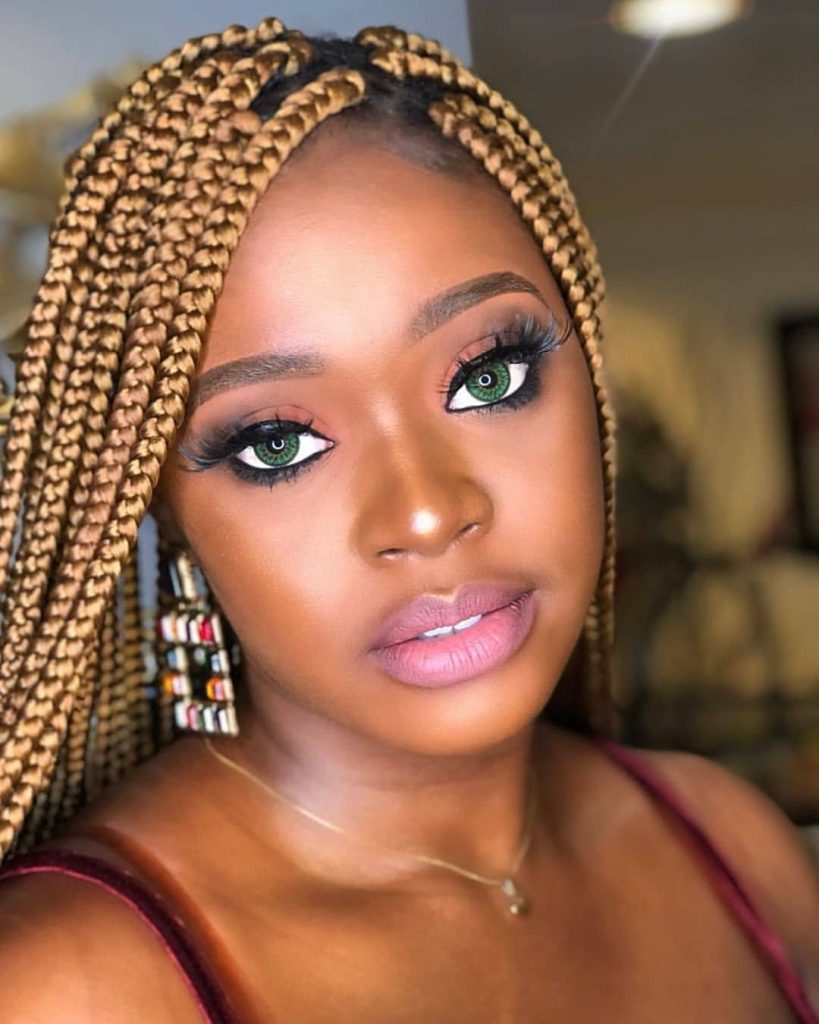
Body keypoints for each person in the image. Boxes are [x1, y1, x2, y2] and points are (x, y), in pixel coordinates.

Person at [0, 15, 817, 1023]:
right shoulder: (72, 988)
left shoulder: (732, 846)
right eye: (276, 444)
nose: (428, 512)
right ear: (168, 511)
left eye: (488, 376)